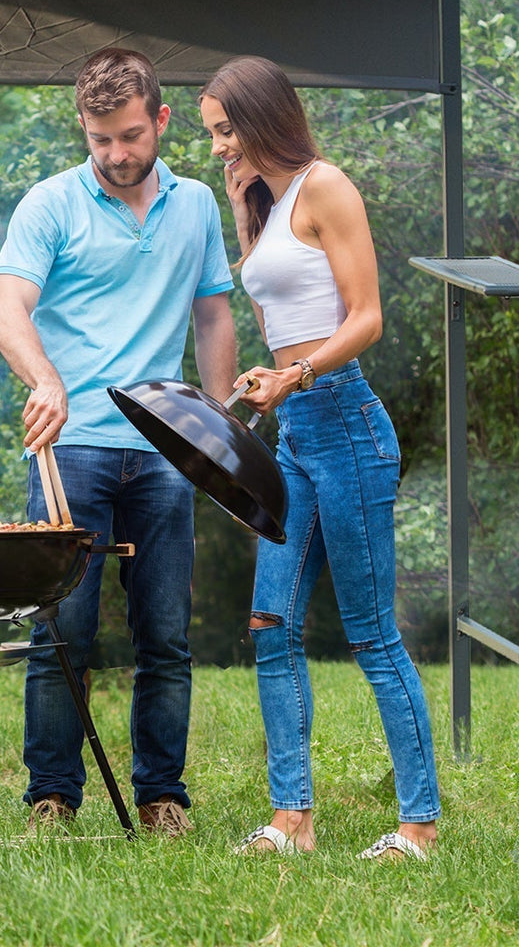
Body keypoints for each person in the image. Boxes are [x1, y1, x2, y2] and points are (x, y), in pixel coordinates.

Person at [0, 47, 237, 836]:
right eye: (100, 139)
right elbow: (7, 310)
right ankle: (52, 799)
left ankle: (163, 797)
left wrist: (221, 427)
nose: (117, 154)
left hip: (166, 450)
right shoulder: (51, 204)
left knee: (164, 634)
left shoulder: (197, 205)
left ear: (160, 119)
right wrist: (45, 380)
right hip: (72, 450)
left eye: (130, 136)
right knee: (62, 633)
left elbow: (212, 314)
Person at [198, 54, 440, 862]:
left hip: (345, 424)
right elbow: (283, 307)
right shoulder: (266, 200)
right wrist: (273, 378)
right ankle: (291, 820)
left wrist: (297, 373)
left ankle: (419, 825)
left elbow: (366, 318)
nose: (217, 148)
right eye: (213, 134)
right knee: (270, 624)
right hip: (296, 431)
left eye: (225, 131)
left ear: (260, 118)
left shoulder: (327, 186)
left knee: (371, 635)